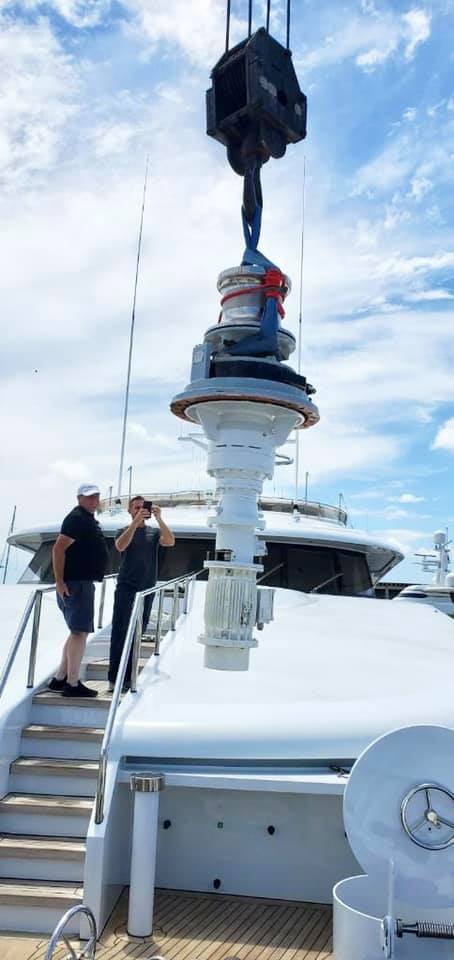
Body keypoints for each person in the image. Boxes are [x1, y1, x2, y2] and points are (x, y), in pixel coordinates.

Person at [108, 496, 175, 691]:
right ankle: (115, 678)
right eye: (135, 508)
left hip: (147, 588)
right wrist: (135, 523)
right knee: (120, 631)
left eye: (142, 507)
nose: (139, 510)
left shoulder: (154, 533)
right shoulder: (122, 531)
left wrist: (160, 518)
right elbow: (120, 546)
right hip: (126, 588)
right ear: (129, 511)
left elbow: (170, 542)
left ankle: (129, 677)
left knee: (139, 632)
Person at [50, 483, 108, 698]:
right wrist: (59, 581)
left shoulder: (86, 519)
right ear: (79, 499)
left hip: (79, 583)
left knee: (76, 631)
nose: (93, 501)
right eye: (89, 497)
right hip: (77, 584)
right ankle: (72, 684)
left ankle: (60, 678)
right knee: (79, 632)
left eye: (96, 497)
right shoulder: (77, 519)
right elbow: (58, 548)